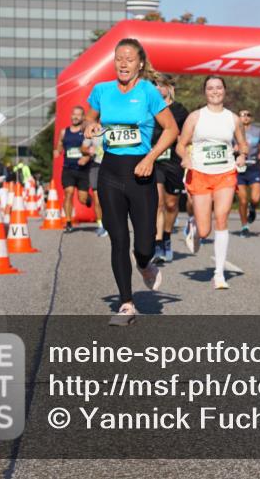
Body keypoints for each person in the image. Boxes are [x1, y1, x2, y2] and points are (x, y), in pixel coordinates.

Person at [84, 38, 178, 325]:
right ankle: (126, 303)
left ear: (140, 63)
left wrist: (150, 158)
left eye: (129, 59)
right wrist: (91, 126)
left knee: (144, 246)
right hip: (110, 173)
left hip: (141, 173)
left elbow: (171, 129)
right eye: (118, 58)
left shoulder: (148, 91)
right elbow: (90, 118)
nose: (123, 63)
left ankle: (144, 263)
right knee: (118, 240)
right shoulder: (101, 90)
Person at [177, 76, 248, 290]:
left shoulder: (233, 118)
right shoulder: (195, 117)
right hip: (200, 173)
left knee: (222, 218)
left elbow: (243, 144)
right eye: (210, 88)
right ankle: (194, 225)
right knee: (204, 231)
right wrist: (185, 157)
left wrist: (242, 156)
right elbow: (181, 144)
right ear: (205, 92)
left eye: (218, 88)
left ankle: (219, 274)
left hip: (225, 173)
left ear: (224, 91)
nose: (215, 91)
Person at [151, 77, 189, 263]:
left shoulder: (180, 110)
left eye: (161, 85)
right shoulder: (148, 108)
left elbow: (187, 135)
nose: (158, 88)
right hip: (154, 160)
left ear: (169, 88)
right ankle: (157, 244)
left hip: (173, 161)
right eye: (154, 85)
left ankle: (166, 237)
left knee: (172, 204)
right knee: (158, 203)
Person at [54, 106, 93, 232]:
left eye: (78, 114)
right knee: (68, 192)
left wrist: (87, 157)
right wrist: (57, 151)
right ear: (71, 116)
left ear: (83, 117)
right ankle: (68, 221)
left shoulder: (86, 132)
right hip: (68, 168)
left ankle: (88, 200)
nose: (75, 117)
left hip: (83, 170)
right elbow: (60, 144)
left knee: (82, 199)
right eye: (74, 114)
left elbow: (93, 148)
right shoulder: (64, 132)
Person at [235, 109, 260, 236]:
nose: (245, 117)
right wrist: (233, 149)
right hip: (238, 168)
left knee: (255, 198)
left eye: (248, 115)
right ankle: (244, 227)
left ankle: (252, 208)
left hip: (253, 167)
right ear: (238, 118)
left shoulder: (257, 131)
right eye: (242, 115)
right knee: (242, 200)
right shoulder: (233, 131)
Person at [88, 131, 107, 237]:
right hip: (96, 165)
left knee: (111, 197)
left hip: (111, 165)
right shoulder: (93, 129)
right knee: (97, 198)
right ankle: (101, 225)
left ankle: (112, 222)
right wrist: (88, 150)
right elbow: (83, 147)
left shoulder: (114, 126)